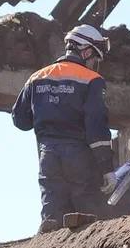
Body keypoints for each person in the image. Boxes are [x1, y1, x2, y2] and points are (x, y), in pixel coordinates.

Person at [12, 24, 114, 232]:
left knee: (52, 216)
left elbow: (20, 120)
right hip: (80, 157)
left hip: (47, 156)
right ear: (86, 51)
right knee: (90, 218)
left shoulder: (36, 77)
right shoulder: (92, 80)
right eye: (94, 58)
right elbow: (96, 127)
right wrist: (106, 168)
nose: (94, 64)